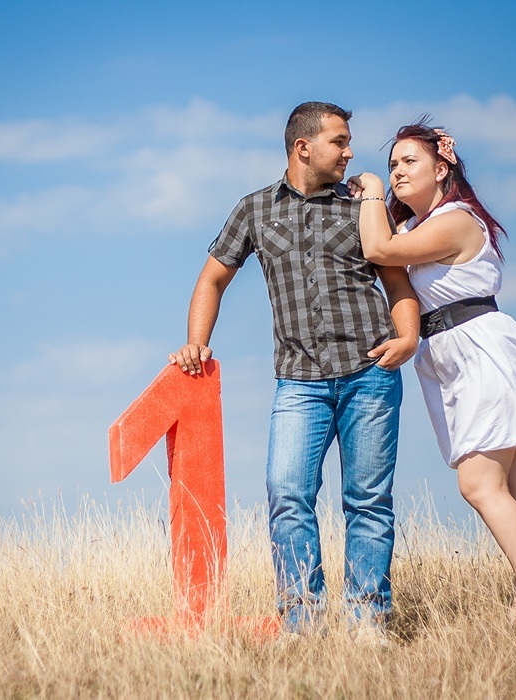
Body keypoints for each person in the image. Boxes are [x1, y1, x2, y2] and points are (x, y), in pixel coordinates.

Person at [169, 102, 419, 637]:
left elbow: (397, 282)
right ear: (303, 147)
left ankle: (367, 620)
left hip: (371, 372)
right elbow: (212, 279)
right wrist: (196, 343)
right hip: (298, 381)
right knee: (286, 493)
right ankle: (303, 621)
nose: (350, 152)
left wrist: (409, 338)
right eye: (340, 141)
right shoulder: (254, 210)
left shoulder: (364, 206)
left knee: (368, 500)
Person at [348, 118, 516, 623]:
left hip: (483, 350)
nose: (396, 171)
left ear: (442, 168)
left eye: (408, 161)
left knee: (479, 485)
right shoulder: (418, 227)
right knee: (511, 488)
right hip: (453, 356)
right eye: (392, 164)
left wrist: (372, 191)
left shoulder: (457, 219)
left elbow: (379, 250)